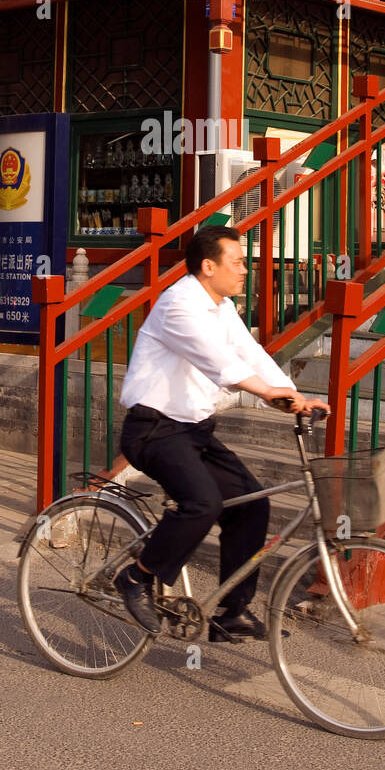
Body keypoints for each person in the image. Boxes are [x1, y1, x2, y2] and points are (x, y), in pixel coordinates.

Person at [114, 225, 328, 640]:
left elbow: (248, 353)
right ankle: (136, 577)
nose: (245, 270)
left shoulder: (221, 306)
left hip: (192, 431)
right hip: (154, 429)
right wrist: (267, 392)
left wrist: (293, 396)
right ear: (208, 266)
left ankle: (232, 610)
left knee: (252, 505)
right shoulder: (179, 304)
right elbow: (218, 361)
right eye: (238, 262)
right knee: (203, 503)